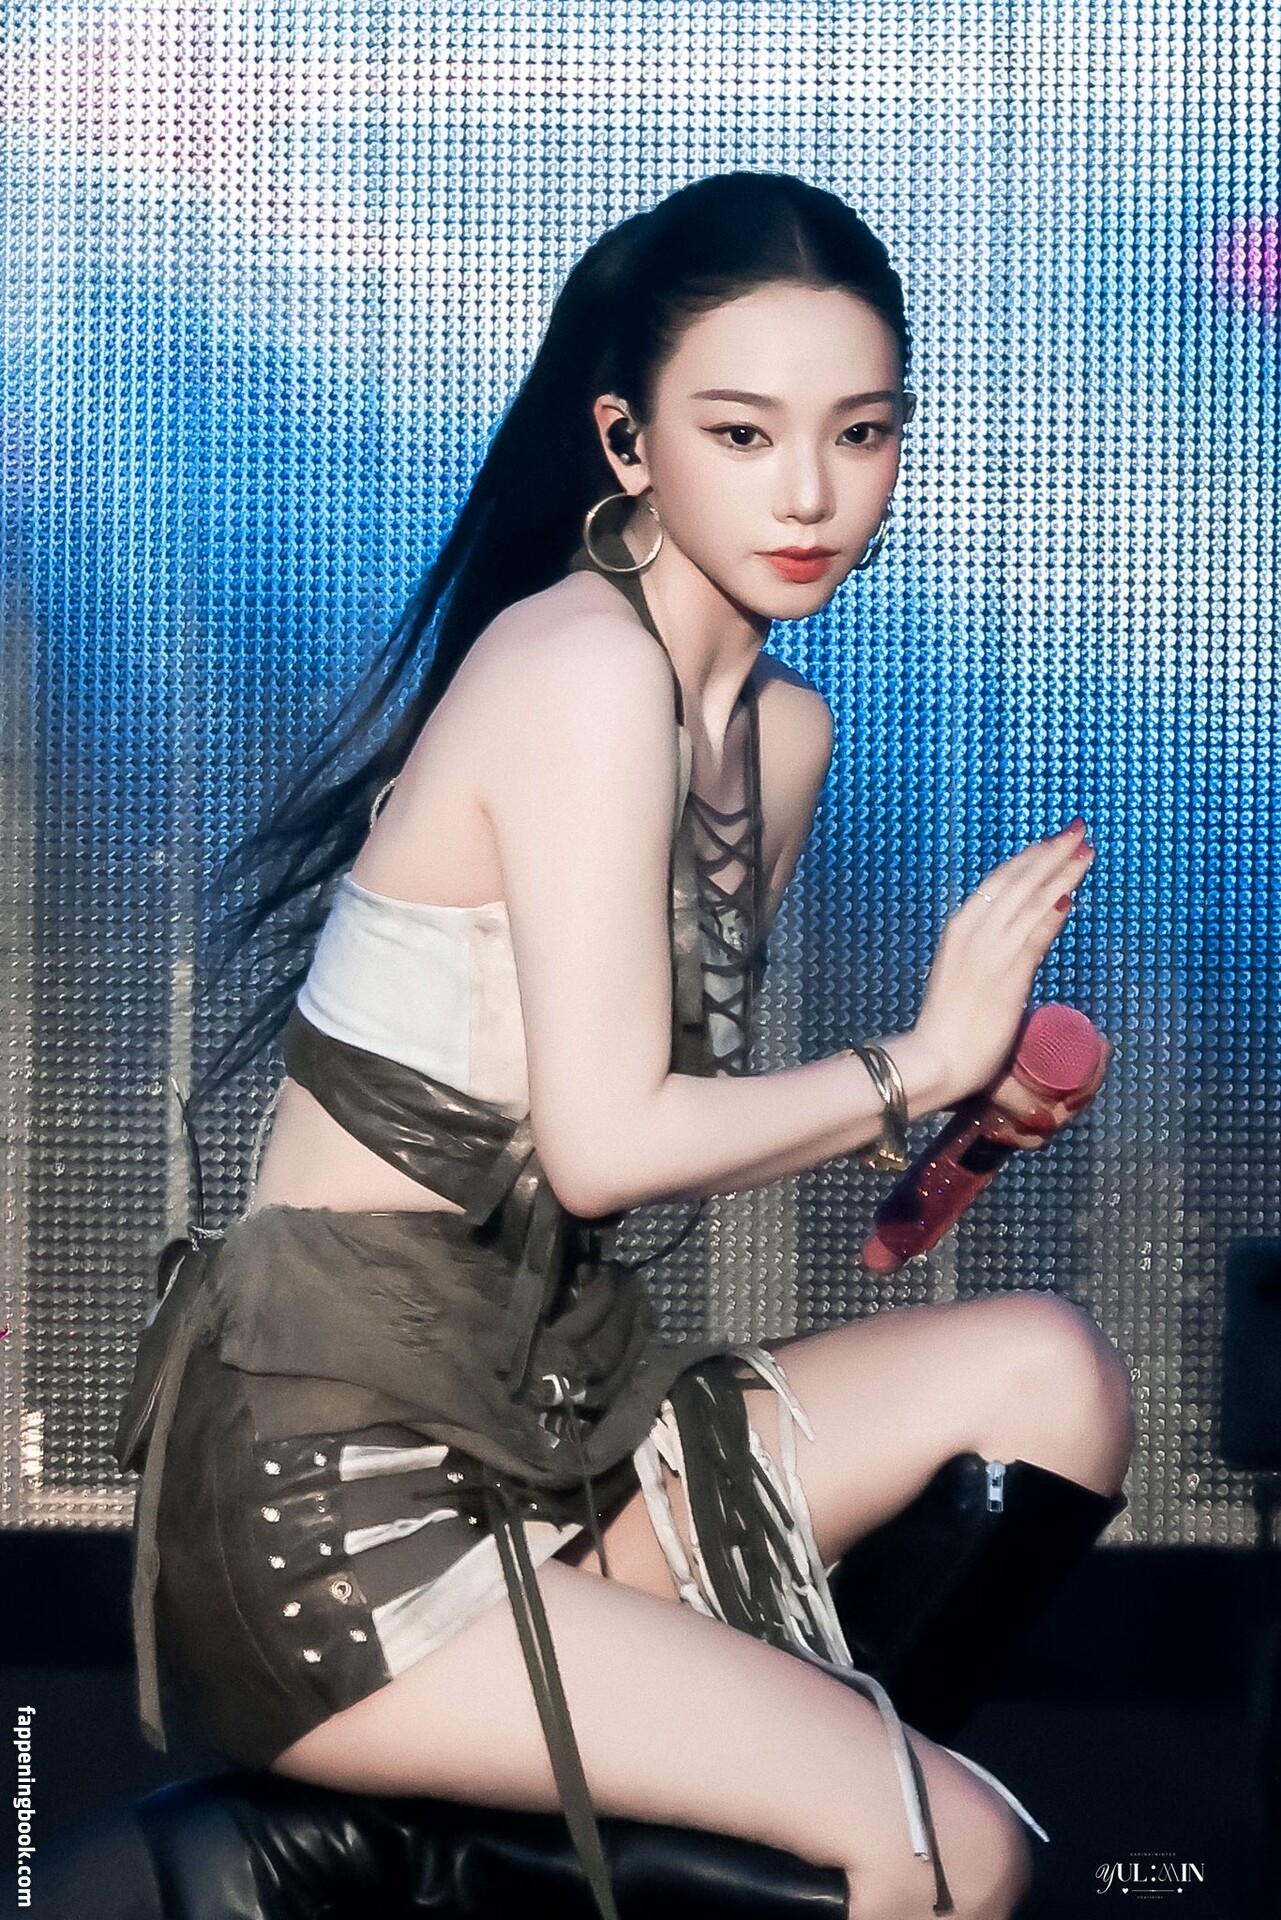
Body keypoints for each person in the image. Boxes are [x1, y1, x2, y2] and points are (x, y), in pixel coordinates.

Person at [117, 171, 1133, 1920]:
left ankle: (713, 1809)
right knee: (950, 1845)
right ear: (627, 442)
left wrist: (942, 1109)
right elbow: (602, 1144)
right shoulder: (579, 667)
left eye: (861, 433)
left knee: (1053, 1376)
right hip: (345, 1514)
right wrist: (907, 1061)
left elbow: (624, 1157)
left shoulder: (776, 736)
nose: (809, 494)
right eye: (741, 433)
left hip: (558, 1441)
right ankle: (806, 1819)